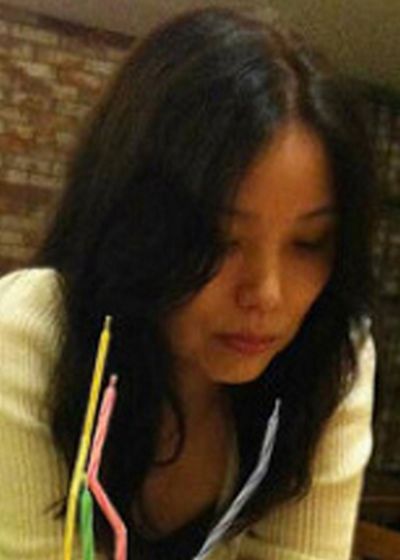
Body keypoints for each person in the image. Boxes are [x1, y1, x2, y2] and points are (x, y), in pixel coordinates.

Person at [0, 6, 376, 560]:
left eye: (309, 242)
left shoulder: (329, 359)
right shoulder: (30, 335)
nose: (267, 294)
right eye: (220, 239)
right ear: (135, 222)